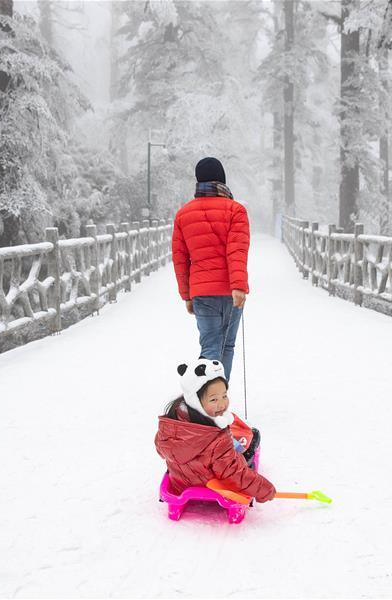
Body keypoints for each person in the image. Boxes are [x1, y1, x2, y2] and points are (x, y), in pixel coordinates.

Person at [172, 157, 249, 381]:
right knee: (227, 345)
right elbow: (237, 251)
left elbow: (180, 259)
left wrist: (187, 295)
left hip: (201, 293)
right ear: (222, 179)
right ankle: (219, 400)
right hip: (230, 292)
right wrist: (238, 286)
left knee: (209, 346)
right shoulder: (236, 211)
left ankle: (206, 402)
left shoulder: (183, 214)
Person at [155, 358, 274, 501]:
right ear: (196, 402)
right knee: (252, 437)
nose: (222, 404)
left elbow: (161, 450)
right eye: (213, 399)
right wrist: (263, 489)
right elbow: (233, 473)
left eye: (224, 396)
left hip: (181, 483)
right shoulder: (217, 440)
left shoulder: (169, 426)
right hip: (215, 485)